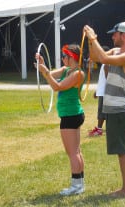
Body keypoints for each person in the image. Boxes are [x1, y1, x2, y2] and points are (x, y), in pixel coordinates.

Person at [83, 22, 125, 197]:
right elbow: (96, 57)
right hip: (114, 109)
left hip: (121, 110)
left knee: (124, 150)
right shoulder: (116, 52)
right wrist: (91, 41)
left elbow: (104, 59)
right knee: (121, 150)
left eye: (115, 34)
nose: (112, 37)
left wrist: (93, 37)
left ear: (123, 35)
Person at [36, 44, 85, 196]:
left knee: (72, 153)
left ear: (72, 57)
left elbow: (57, 86)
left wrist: (45, 72)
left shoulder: (78, 74)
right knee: (76, 151)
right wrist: (42, 65)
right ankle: (80, 184)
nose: (62, 58)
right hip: (70, 114)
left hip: (71, 115)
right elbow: (50, 74)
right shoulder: (66, 70)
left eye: (65, 56)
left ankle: (76, 185)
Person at [88, 46, 110, 137]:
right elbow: (102, 80)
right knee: (103, 112)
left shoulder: (106, 65)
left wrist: (104, 92)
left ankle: (99, 129)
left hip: (105, 92)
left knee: (102, 112)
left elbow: (108, 79)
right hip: (102, 91)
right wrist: (97, 90)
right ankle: (101, 128)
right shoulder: (104, 64)